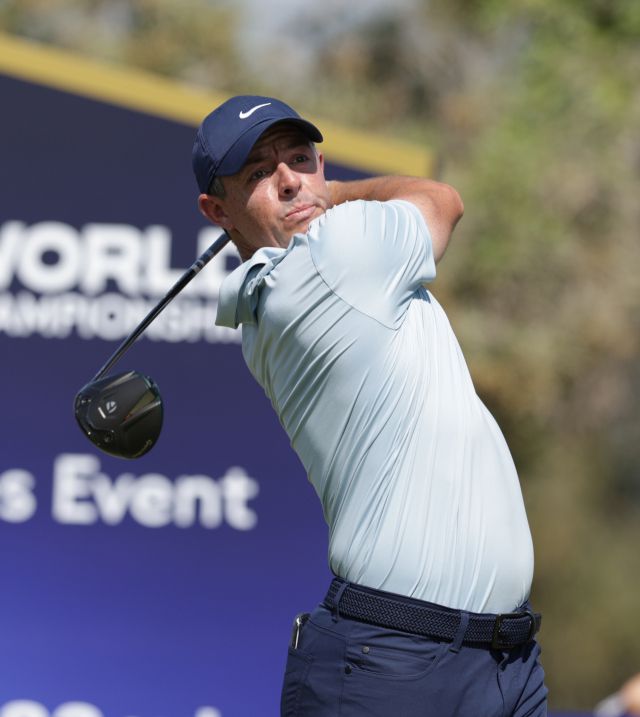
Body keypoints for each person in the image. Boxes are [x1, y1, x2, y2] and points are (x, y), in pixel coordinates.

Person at [192, 95, 547, 717]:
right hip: (393, 663)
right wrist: (337, 192)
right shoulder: (335, 258)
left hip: (500, 660)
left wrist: (317, 198)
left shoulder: (269, 293)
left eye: (301, 159)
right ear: (218, 212)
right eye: (259, 173)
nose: (290, 181)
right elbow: (441, 199)